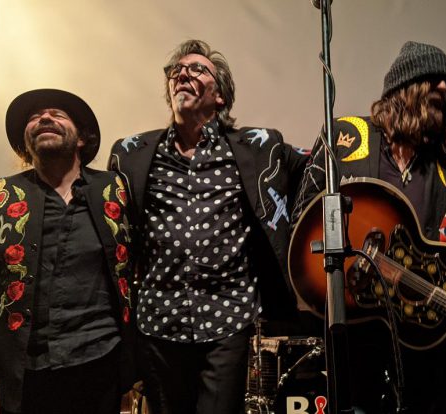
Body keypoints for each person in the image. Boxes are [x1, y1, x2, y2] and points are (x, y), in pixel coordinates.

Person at [291, 41, 446, 414]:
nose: (443, 91)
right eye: (431, 83)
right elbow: (304, 215)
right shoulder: (346, 136)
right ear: (401, 89)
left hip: (427, 327)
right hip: (355, 320)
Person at [108, 39, 307, 414]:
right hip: (157, 321)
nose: (183, 74)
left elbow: (316, 172)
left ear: (221, 96)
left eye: (198, 69)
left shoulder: (258, 147)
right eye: (176, 71)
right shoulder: (130, 153)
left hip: (228, 319)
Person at [0, 89, 135, 414]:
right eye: (34, 117)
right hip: (25, 373)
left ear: (81, 138)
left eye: (58, 113)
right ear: (25, 143)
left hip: (100, 364)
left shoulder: (117, 190)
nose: (44, 118)